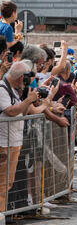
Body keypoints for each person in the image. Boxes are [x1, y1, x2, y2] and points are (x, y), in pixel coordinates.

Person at [0, 61, 38, 212]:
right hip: (5, 143)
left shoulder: (13, 90)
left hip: (13, 142)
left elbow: (22, 111)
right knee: (3, 184)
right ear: (21, 77)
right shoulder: (2, 89)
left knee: (7, 183)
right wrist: (29, 100)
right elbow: (10, 111)